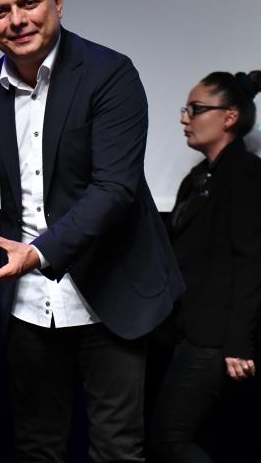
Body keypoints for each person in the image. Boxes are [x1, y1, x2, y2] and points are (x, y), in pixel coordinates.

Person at [0, 0, 184, 463]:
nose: (16, 21)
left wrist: (36, 253)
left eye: (28, 3)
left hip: (112, 291)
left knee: (117, 450)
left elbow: (115, 189)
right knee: (37, 448)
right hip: (26, 302)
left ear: (57, 1)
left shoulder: (109, 73)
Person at [149, 71, 261, 462]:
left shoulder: (248, 174)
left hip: (217, 338)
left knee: (171, 438)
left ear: (229, 117)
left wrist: (238, 345)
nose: (185, 118)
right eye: (186, 109)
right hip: (187, 331)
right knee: (182, 437)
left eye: (195, 109)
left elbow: (251, 263)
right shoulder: (197, 178)